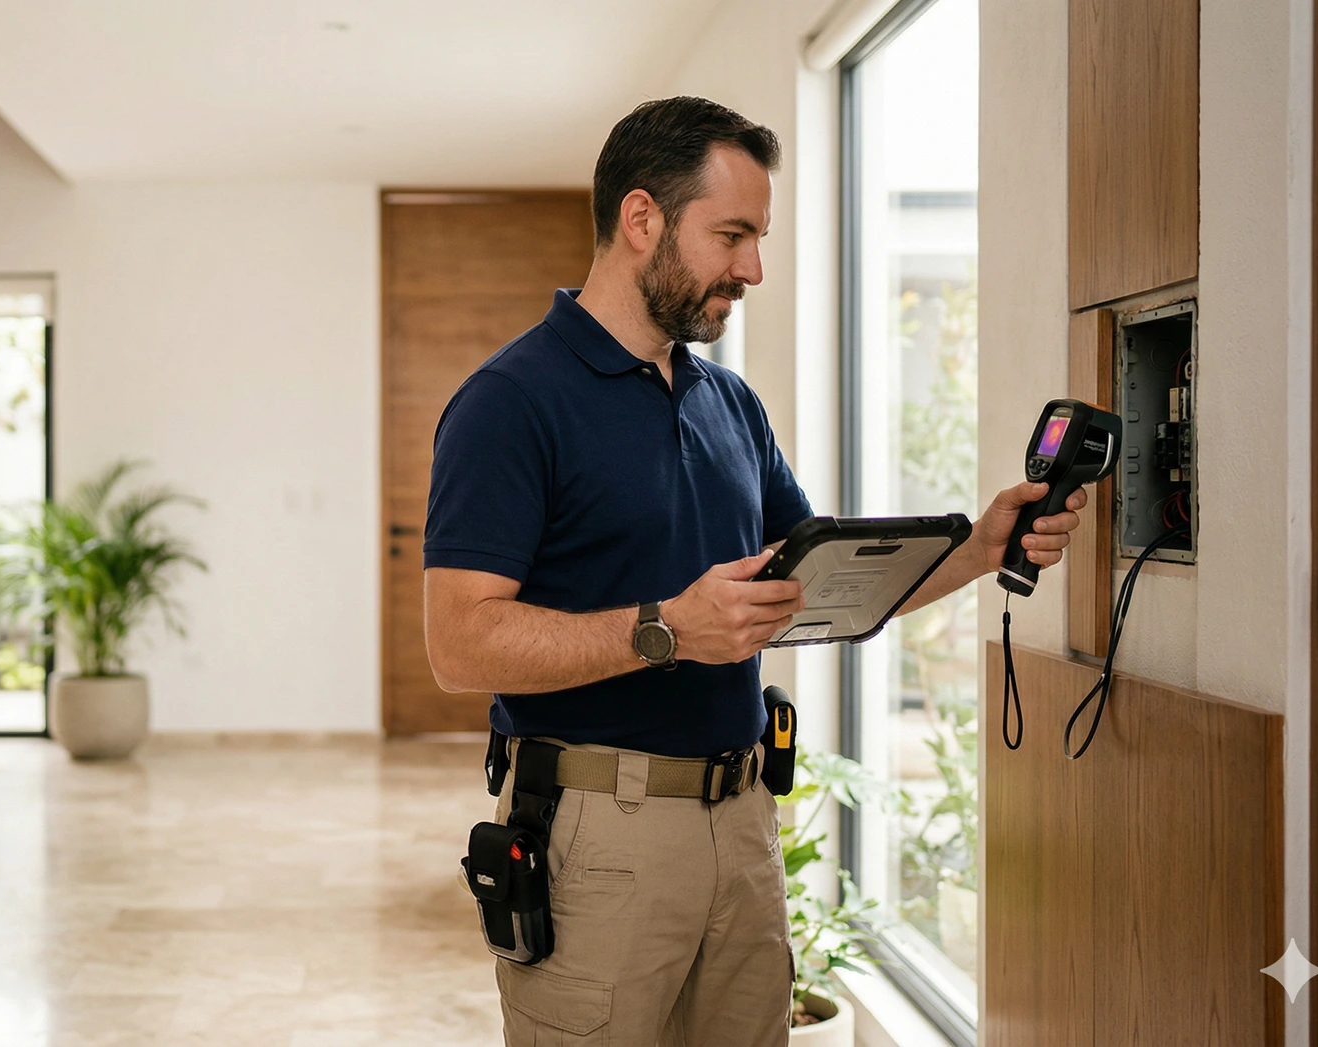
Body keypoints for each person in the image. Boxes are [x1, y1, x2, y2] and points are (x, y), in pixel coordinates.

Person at [422, 96, 1085, 1046]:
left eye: (759, 239)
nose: (753, 269)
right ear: (641, 218)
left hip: (742, 822)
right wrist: (665, 629)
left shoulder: (729, 403)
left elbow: (825, 582)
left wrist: (980, 548)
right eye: (732, 235)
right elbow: (458, 642)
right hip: (597, 834)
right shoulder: (508, 402)